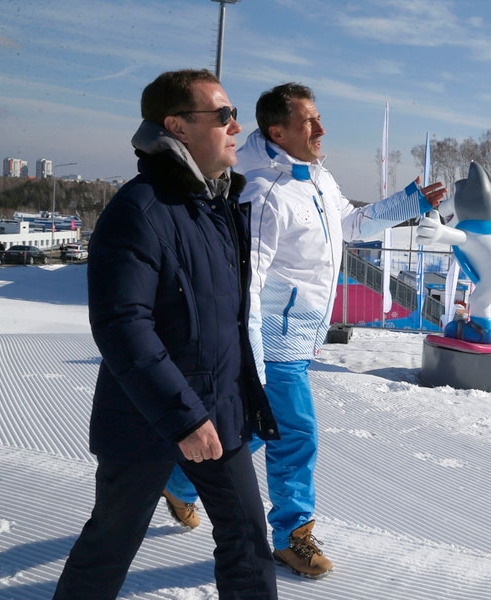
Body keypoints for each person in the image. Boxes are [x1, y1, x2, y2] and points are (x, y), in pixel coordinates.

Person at [164, 82, 446, 578]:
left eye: (318, 118)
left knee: (259, 430)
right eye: (309, 121)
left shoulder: (315, 176)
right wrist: (252, 362)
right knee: (296, 432)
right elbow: (246, 284)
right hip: (273, 337)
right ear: (278, 132)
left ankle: (181, 481)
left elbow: (350, 225)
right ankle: (293, 535)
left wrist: (409, 204)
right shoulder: (264, 193)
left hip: (299, 333)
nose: (321, 129)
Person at [52, 69, 279, 600]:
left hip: (220, 412)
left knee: (248, 539)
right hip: (148, 416)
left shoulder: (218, 206)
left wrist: (241, 398)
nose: (236, 126)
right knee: (111, 542)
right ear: (177, 126)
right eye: (223, 115)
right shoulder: (139, 211)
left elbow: (225, 322)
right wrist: (183, 417)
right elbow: (122, 325)